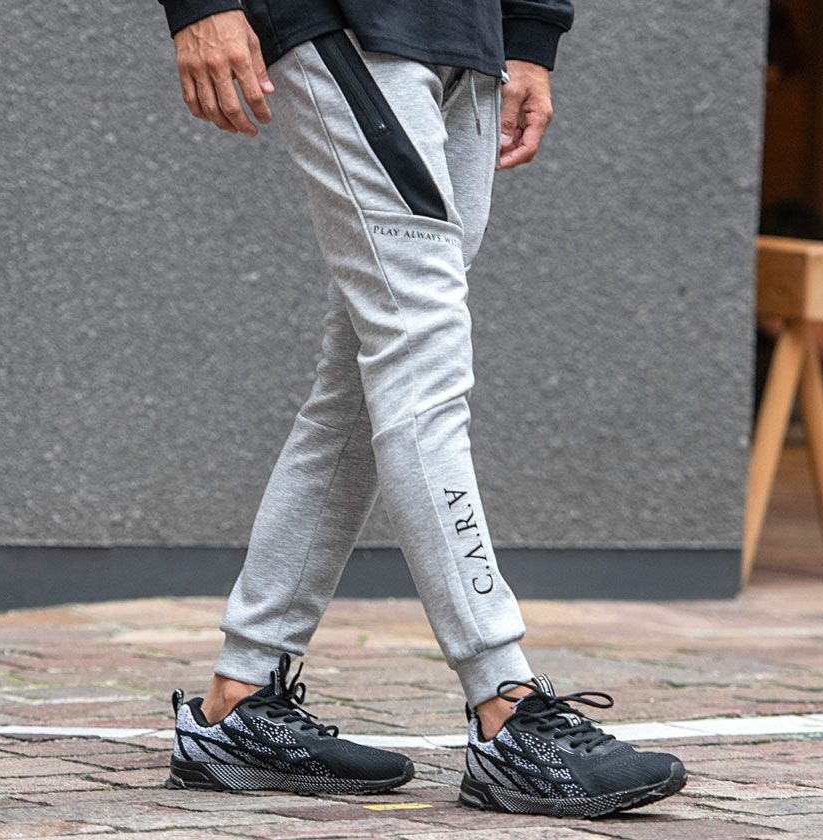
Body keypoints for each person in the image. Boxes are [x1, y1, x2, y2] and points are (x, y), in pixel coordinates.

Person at [157, 0, 688, 817]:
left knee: (364, 377)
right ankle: (505, 706)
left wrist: (529, 37)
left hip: (470, 43)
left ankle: (241, 698)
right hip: (345, 25)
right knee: (421, 356)